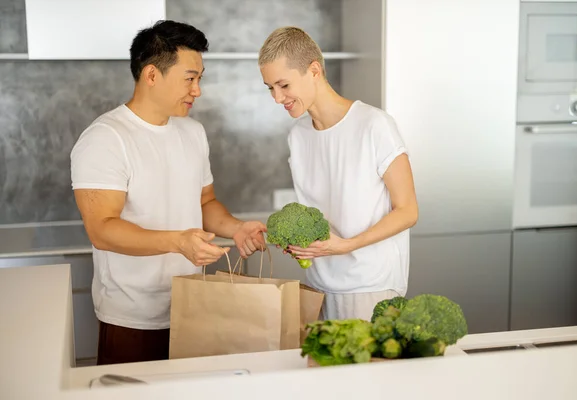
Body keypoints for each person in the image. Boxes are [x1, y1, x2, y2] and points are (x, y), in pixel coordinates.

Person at [70, 20, 266, 365]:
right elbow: (101, 230)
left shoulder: (193, 132)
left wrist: (236, 228)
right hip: (133, 315)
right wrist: (179, 241)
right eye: (189, 78)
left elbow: (204, 202)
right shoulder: (105, 139)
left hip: (192, 305)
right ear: (151, 75)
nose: (197, 90)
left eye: (199, 79)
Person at [258, 27, 419, 321]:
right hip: (318, 287)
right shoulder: (298, 136)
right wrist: (297, 241)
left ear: (314, 70)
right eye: (270, 88)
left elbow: (408, 211)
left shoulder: (374, 125)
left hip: (371, 286)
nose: (277, 98)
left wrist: (345, 246)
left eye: (283, 85)